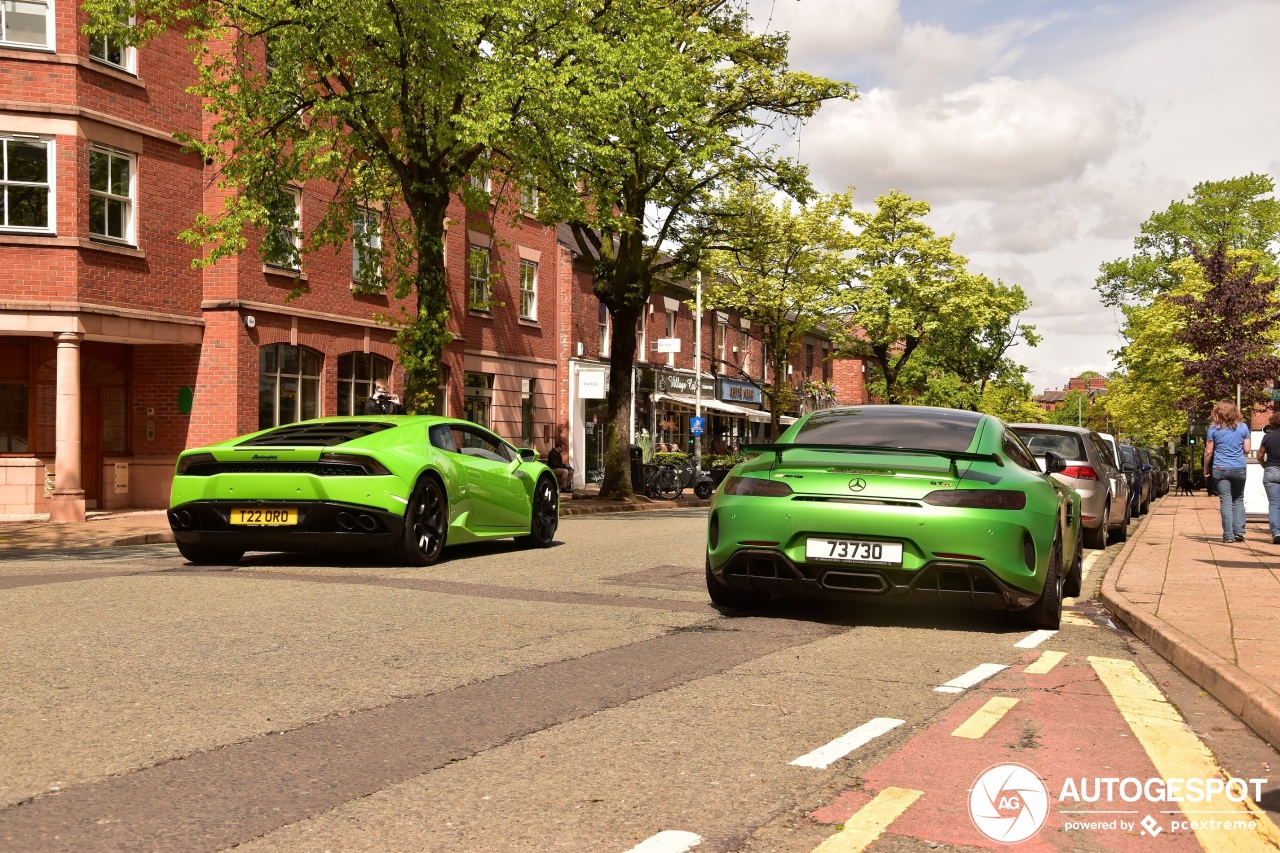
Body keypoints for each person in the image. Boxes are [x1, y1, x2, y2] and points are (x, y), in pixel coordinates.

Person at [1204, 400, 1251, 542]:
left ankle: (1228, 535)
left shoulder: (1213, 429)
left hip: (1220, 468)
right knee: (1238, 499)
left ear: (1218, 411)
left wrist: (1206, 468)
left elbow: (1208, 451)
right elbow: (1247, 450)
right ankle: (1239, 531)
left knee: (1225, 500)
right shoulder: (1243, 427)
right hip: (1239, 467)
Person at [1257, 411, 1280, 543]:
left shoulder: (1268, 437)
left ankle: (1277, 532)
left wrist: (1265, 466)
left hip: (1271, 470)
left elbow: (1260, 456)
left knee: (1274, 503)